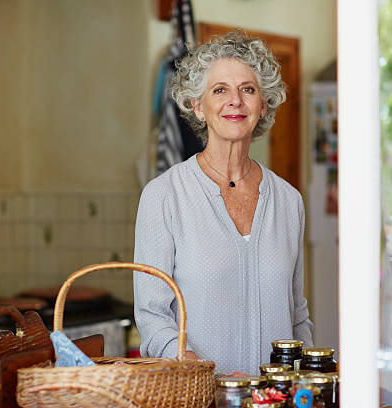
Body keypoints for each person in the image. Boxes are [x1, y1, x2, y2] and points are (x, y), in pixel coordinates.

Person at [133, 31, 313, 375]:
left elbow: (297, 315)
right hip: (200, 395)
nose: (235, 101)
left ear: (263, 105)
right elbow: (153, 318)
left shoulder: (289, 201)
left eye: (247, 89)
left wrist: (296, 382)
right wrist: (201, 372)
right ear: (198, 106)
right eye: (220, 90)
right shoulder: (164, 196)